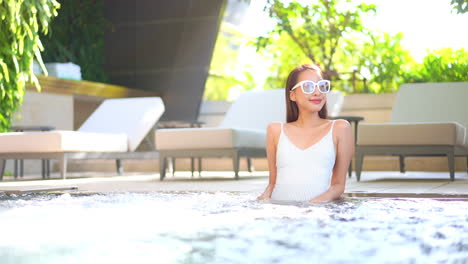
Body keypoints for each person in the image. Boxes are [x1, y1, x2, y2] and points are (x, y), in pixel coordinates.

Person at [257, 64, 354, 203]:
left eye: (321, 86)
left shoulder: (340, 128)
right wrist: (262, 200)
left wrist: (312, 205)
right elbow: (272, 183)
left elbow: (338, 186)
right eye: (308, 86)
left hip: (317, 215)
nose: (317, 92)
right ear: (292, 95)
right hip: (279, 213)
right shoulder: (275, 130)